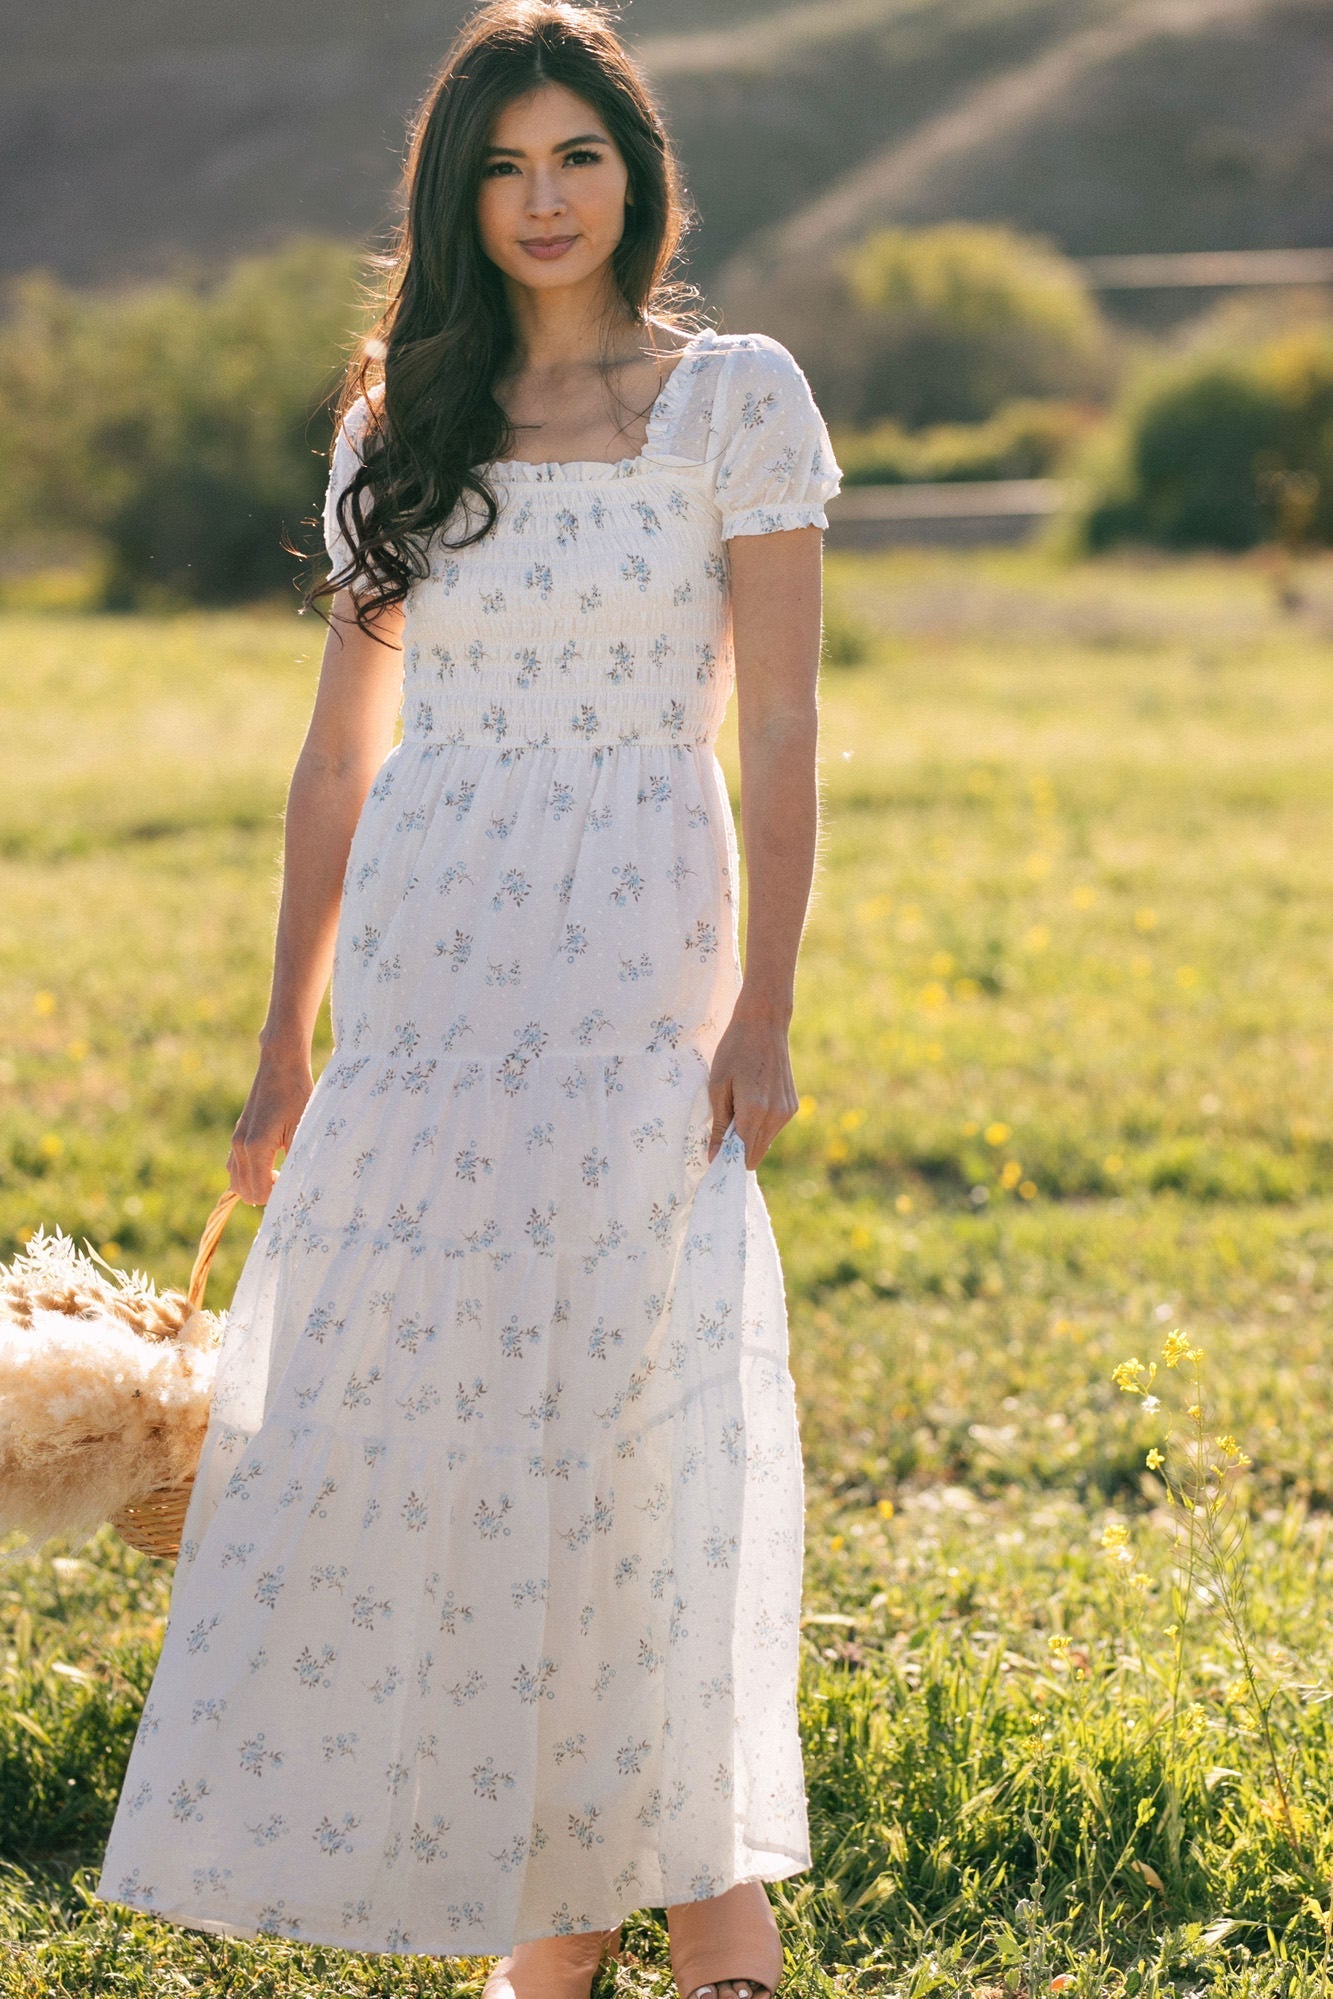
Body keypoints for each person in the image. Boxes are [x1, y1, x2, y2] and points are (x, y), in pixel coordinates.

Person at [93, 4, 841, 1995]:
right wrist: (284, 1039)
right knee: (446, 1437)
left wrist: (765, 1004)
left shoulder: (732, 398)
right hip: (428, 986)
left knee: (628, 1432)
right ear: (455, 193)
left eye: (572, 159)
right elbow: (339, 753)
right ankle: (544, 1948)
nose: (538, 199)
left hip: (633, 973)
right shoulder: (394, 420)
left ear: (635, 174)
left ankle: (714, 1936)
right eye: (500, 166)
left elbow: (777, 720)